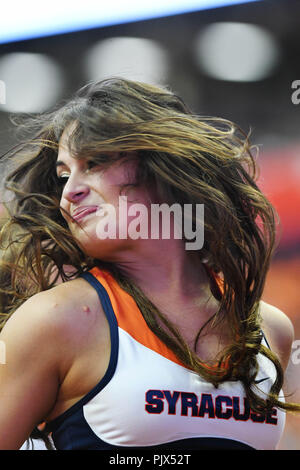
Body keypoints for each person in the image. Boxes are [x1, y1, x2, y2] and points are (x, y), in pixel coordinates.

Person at [0, 77, 299, 451]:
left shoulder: (270, 330)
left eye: (93, 163)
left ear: (163, 167)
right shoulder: (55, 320)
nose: (69, 192)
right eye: (63, 175)